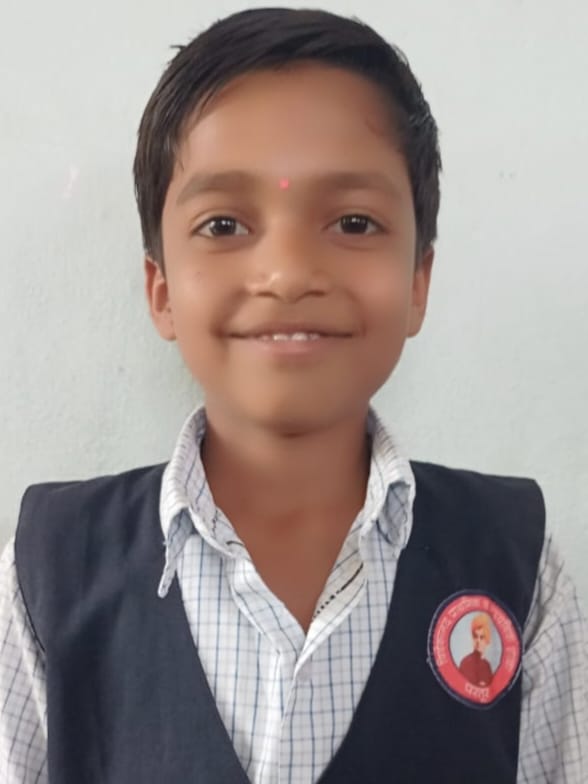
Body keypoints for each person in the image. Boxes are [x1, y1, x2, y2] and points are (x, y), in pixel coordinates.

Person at [0, 7, 586, 783]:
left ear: (419, 281)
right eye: (224, 224)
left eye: (353, 221)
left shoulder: (517, 567)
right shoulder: (46, 575)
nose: (286, 273)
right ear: (161, 289)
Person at [459, 613, 494, 687]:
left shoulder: (487, 666)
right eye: (475, 636)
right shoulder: (466, 663)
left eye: (482, 637)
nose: (478, 641)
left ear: (487, 640)